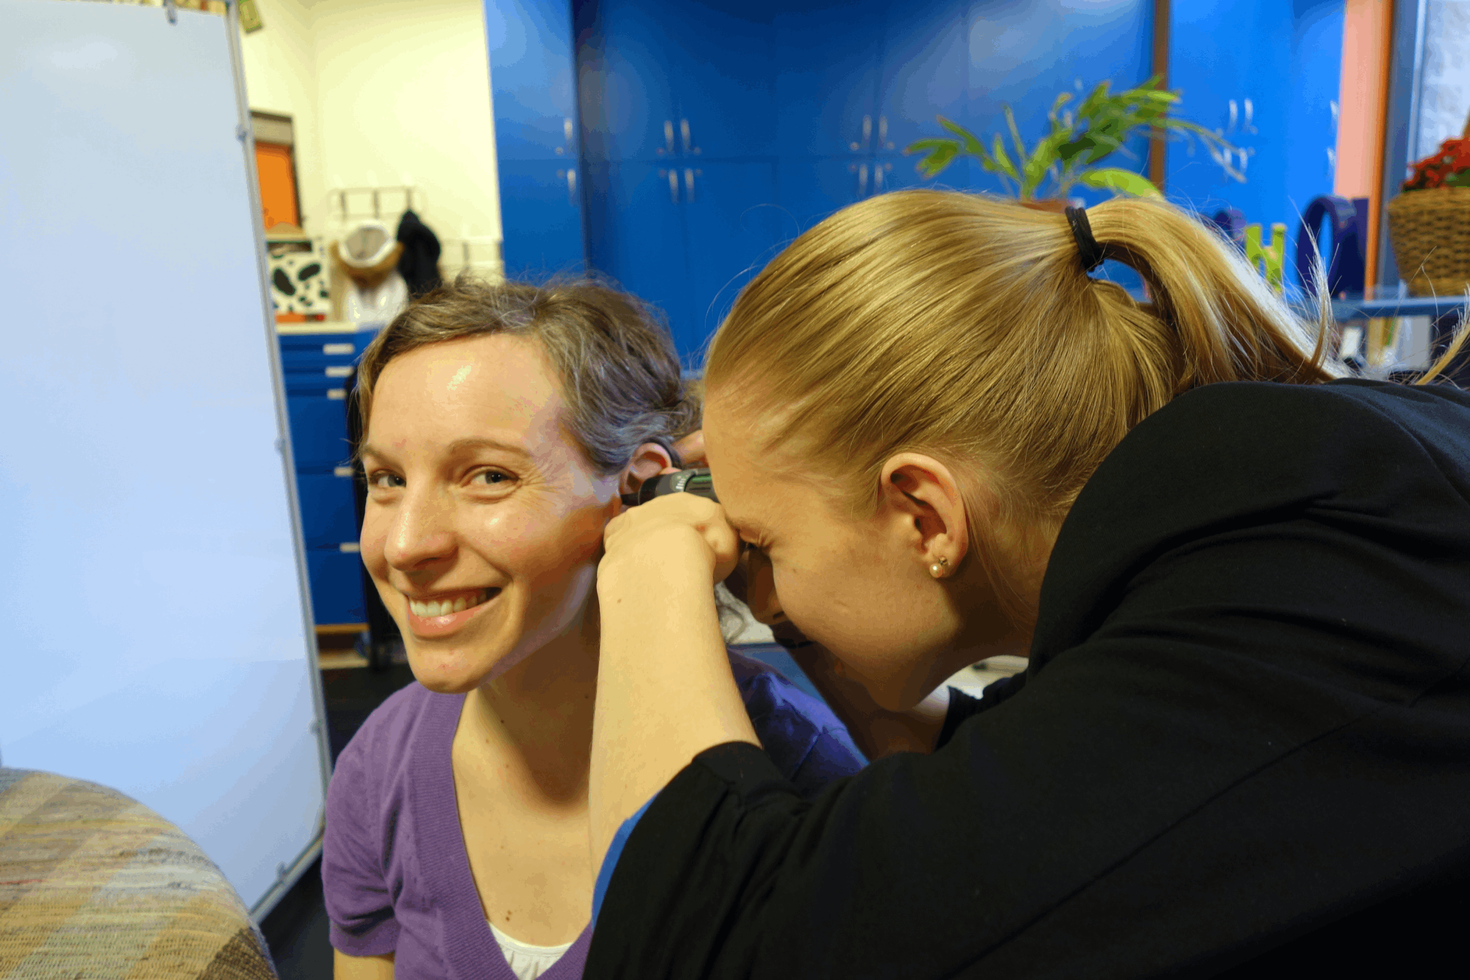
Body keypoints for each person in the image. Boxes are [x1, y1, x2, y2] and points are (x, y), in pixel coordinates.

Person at [582, 190, 1470, 977]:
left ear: (925, 515)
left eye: (765, 547)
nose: (760, 598)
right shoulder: (1269, 514)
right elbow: (1033, 790)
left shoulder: (1297, 586)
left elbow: (701, 944)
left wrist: (648, 568)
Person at [322, 276, 866, 980]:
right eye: (386, 480)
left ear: (637, 492)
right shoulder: (379, 770)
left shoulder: (801, 770)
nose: (405, 546)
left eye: (487, 476)